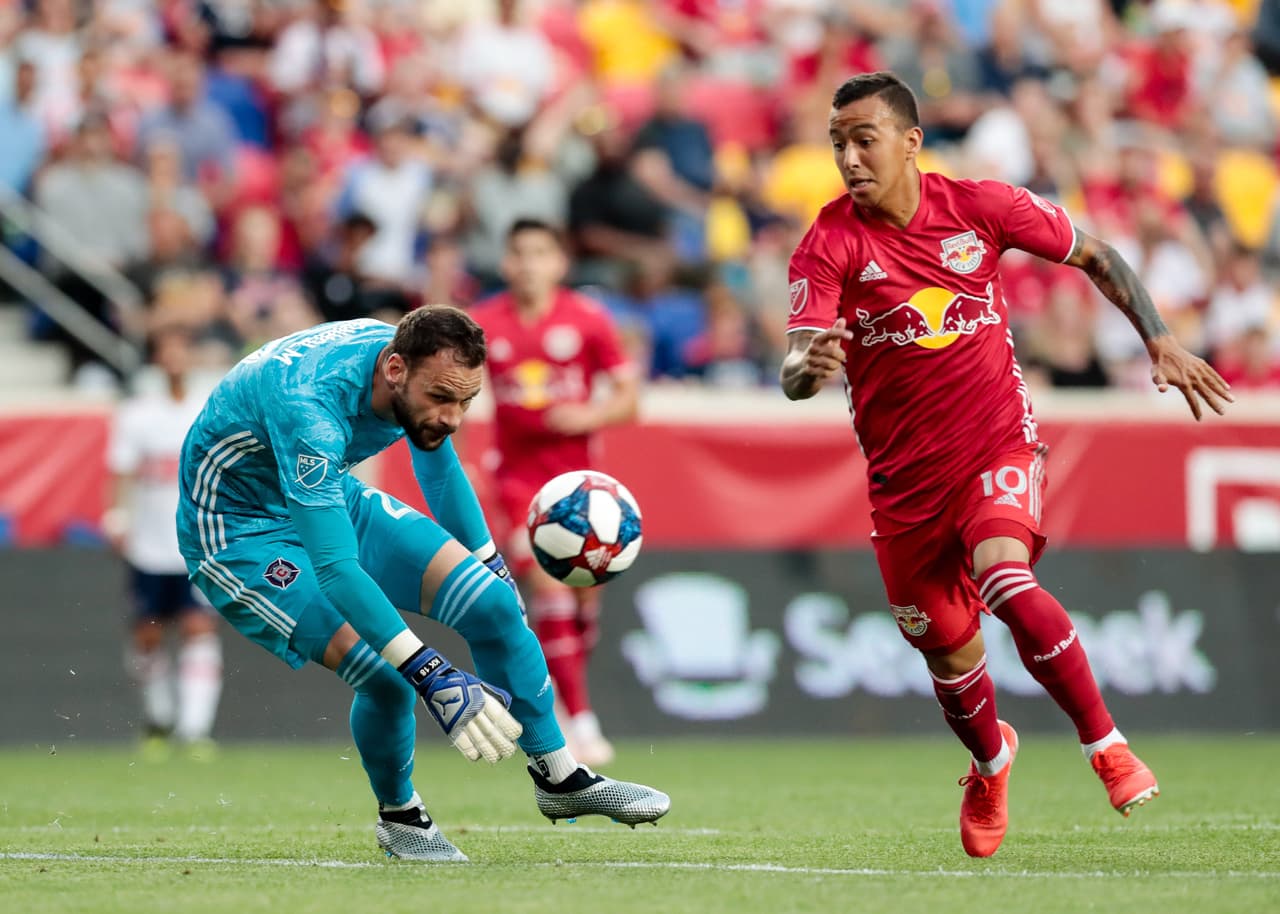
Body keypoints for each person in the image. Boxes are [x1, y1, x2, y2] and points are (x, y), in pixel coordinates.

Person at [779, 72, 1232, 858]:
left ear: (911, 142)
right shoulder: (829, 243)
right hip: (903, 487)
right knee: (950, 652)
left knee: (1007, 578)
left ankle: (1107, 747)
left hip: (997, 445)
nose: (849, 158)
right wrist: (807, 370)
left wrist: (1156, 337)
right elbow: (792, 368)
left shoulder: (982, 207)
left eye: (864, 139)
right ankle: (991, 762)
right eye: (838, 144)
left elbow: (1098, 254)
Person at [175, 307, 668, 863]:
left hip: (323, 495)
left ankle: (559, 778)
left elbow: (437, 465)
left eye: (466, 402)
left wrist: (491, 565)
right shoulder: (309, 407)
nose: (453, 416)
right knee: (387, 676)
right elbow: (337, 569)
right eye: (442, 398)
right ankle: (402, 820)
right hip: (240, 534)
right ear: (393, 371)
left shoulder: (411, 363)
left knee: (494, 604)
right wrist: (431, 671)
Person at [470, 219, 640, 767]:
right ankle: (582, 722)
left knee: (584, 603)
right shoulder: (484, 324)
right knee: (549, 588)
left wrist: (590, 413)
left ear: (559, 263)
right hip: (518, 483)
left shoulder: (587, 319)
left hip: (581, 486)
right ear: (506, 262)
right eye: (519, 253)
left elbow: (630, 398)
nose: (529, 264)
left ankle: (563, 699)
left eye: (540, 252)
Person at [106, 327, 221, 760]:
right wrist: (116, 516)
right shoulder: (138, 414)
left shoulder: (207, 410)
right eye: (167, 349)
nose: (175, 357)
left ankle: (195, 730)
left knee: (198, 628)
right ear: (156, 358)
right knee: (148, 635)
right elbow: (120, 470)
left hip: (198, 543)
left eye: (182, 348)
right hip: (149, 544)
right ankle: (159, 717)